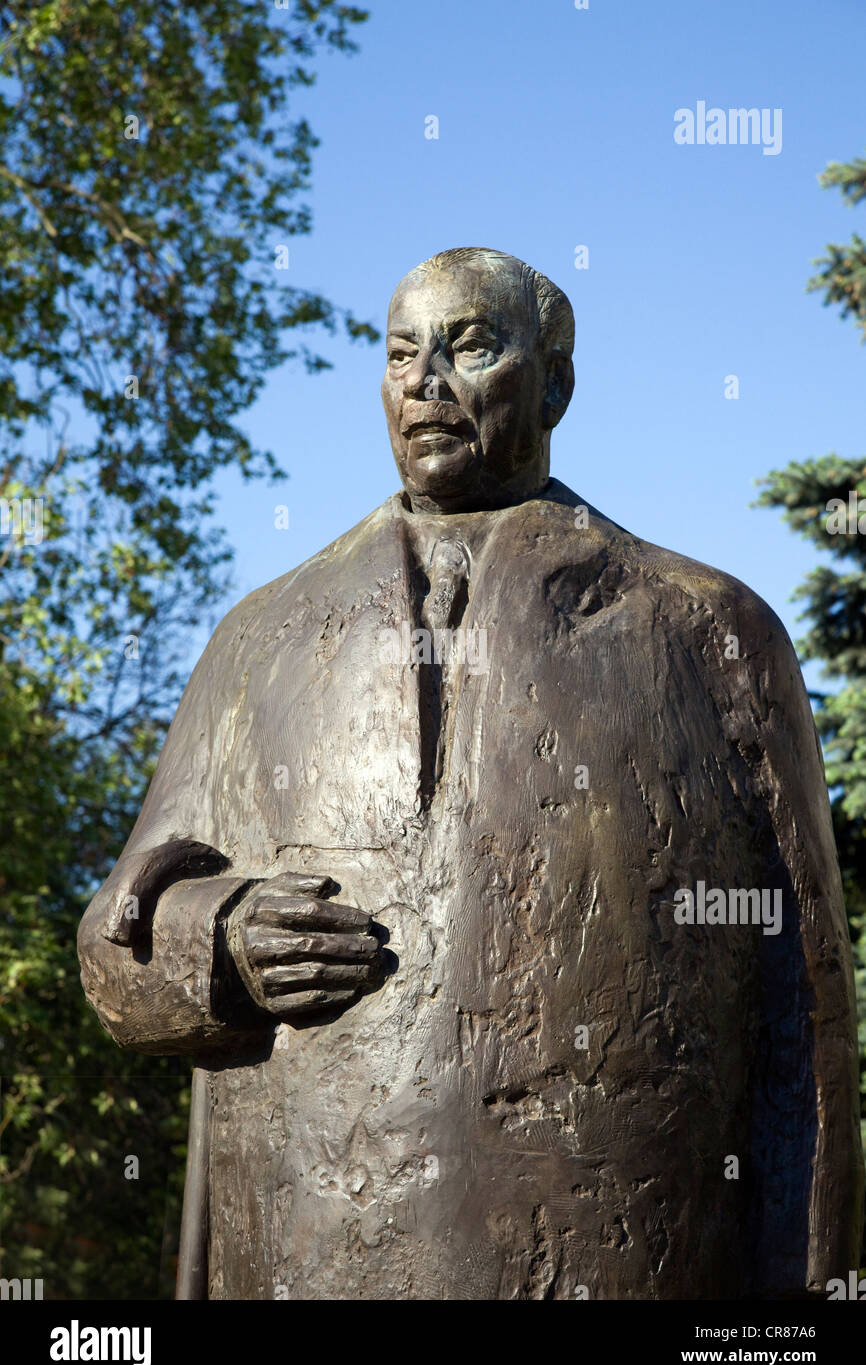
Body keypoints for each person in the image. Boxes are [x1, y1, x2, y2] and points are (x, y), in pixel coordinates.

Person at [78, 247, 863, 1299]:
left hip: (620, 1249)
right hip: (312, 1240)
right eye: (401, 353)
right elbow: (117, 950)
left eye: (469, 347)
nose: (423, 382)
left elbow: (803, 1027)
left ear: (554, 383)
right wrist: (217, 941)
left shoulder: (704, 627)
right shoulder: (260, 637)